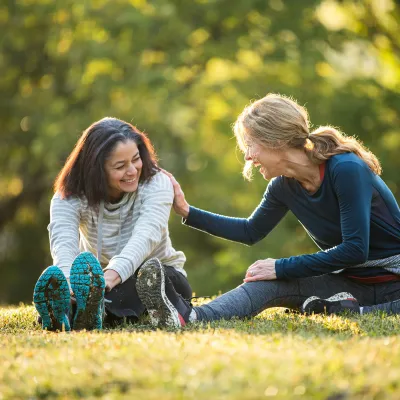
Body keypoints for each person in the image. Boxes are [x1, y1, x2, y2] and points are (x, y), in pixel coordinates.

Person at [134, 93, 400, 329]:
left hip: (394, 281)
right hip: (351, 282)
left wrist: (280, 266)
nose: (248, 157)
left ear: (275, 140)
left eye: (250, 145)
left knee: (276, 271)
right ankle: (189, 318)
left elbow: (355, 249)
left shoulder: (345, 169)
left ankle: (356, 311)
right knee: (264, 282)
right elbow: (251, 231)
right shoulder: (282, 186)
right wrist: (187, 211)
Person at [33, 117, 191, 331]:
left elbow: (145, 238)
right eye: (120, 166)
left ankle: (84, 311)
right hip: (96, 284)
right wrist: (70, 284)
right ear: (96, 169)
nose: (133, 170)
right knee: (92, 293)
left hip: (159, 276)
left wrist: (107, 279)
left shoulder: (157, 184)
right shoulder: (69, 197)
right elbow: (63, 245)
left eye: (136, 159)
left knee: (138, 283)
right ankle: (67, 310)